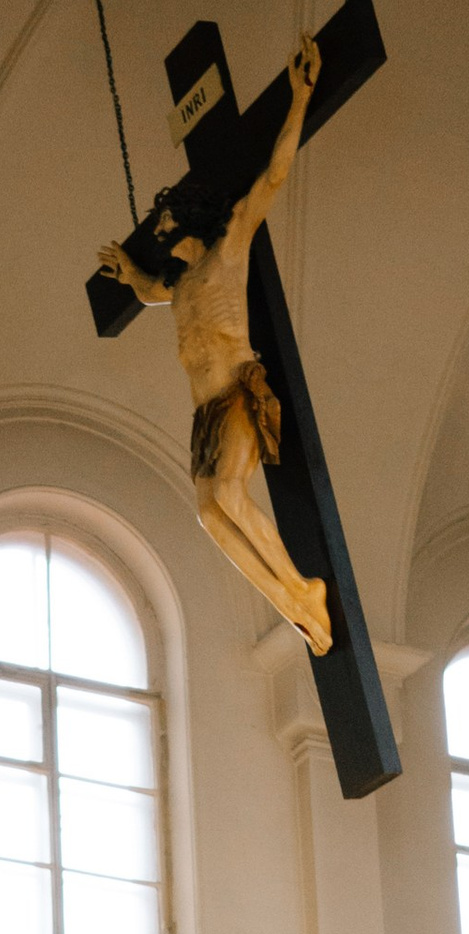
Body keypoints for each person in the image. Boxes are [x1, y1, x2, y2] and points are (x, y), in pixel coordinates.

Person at [96, 33, 332, 651]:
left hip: (234, 394)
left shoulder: (230, 250)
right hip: (204, 413)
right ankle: (291, 598)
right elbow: (150, 290)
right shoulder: (179, 285)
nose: (163, 230)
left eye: (169, 222)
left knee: (229, 492)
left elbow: (274, 176)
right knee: (208, 512)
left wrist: (299, 97)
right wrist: (129, 272)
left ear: (193, 219)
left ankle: (302, 587)